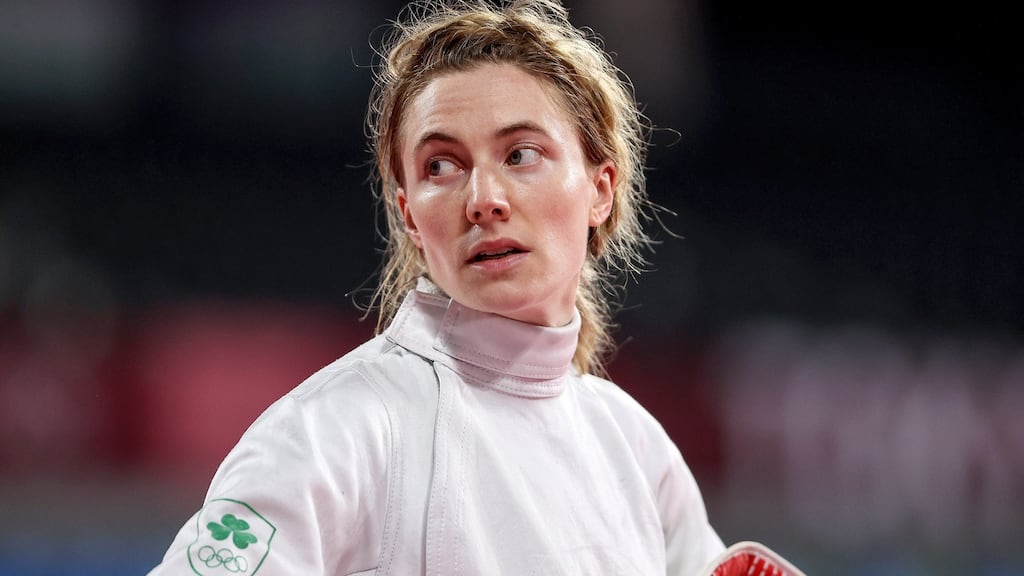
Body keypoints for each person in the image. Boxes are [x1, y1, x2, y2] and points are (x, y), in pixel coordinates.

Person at [149, 1, 803, 574]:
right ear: (408, 215)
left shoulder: (635, 448)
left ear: (600, 189)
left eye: (521, 154)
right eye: (442, 166)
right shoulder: (335, 433)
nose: (484, 199)